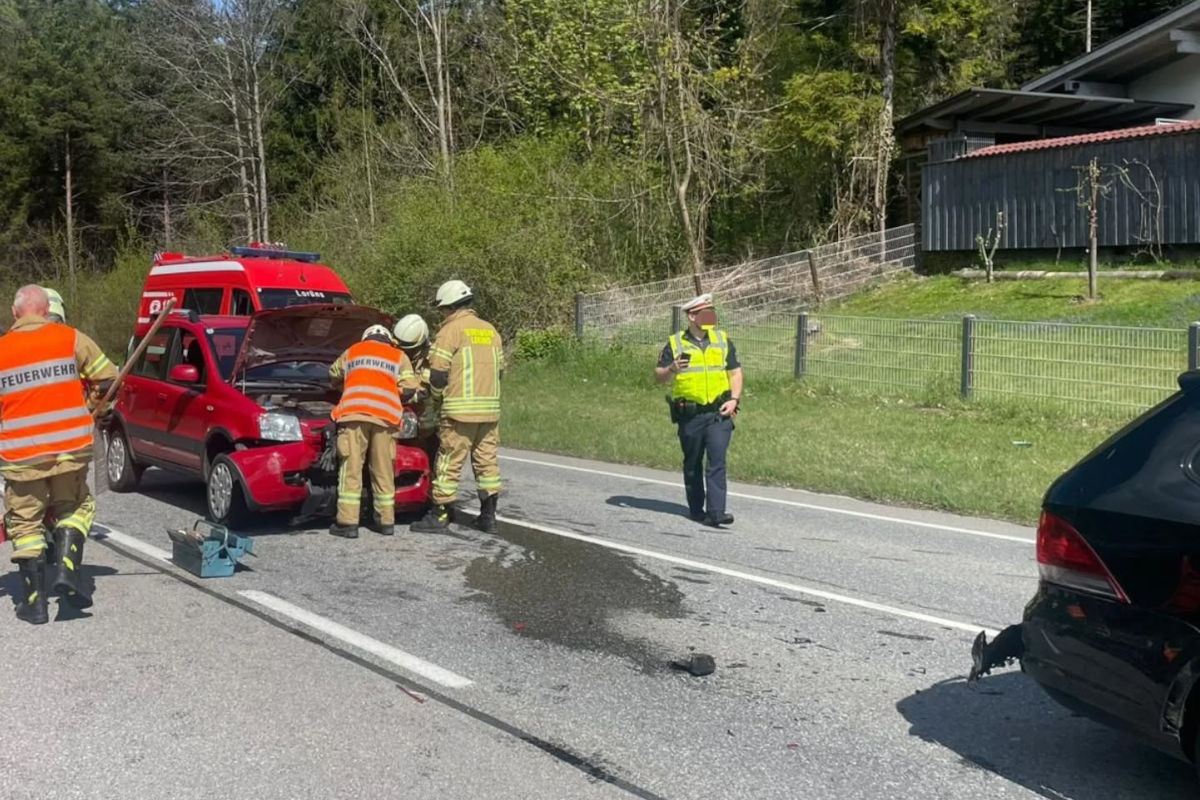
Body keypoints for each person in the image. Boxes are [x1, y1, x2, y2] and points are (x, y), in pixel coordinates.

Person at [0, 285, 117, 623]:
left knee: (25, 523)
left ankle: (34, 603)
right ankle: (67, 570)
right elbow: (108, 378)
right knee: (76, 506)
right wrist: (90, 408)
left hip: (22, 455)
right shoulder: (71, 338)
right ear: (46, 308)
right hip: (70, 448)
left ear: (15, 313)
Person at [410, 280, 504, 535]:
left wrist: (436, 399)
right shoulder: (491, 330)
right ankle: (488, 517)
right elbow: (501, 371)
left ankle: (439, 515)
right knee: (487, 464)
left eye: (442, 309)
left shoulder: (450, 331)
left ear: (449, 307)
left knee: (448, 462)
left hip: (459, 412)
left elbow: (438, 375)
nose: (441, 314)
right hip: (490, 412)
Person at [654, 293, 744, 527]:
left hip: (718, 412)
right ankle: (696, 508)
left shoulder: (722, 340)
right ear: (692, 316)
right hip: (690, 415)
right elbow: (659, 377)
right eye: (705, 313)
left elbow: (735, 372)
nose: (710, 318)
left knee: (717, 460)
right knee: (692, 462)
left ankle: (716, 512)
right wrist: (672, 368)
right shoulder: (675, 343)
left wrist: (734, 399)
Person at [327, 324, 419, 539]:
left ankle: (348, 523)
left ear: (366, 337)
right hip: (386, 419)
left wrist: (347, 385)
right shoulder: (399, 356)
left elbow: (333, 374)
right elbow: (410, 388)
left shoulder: (353, 351)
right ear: (388, 339)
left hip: (354, 415)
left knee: (351, 469)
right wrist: (391, 392)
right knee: (383, 471)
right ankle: (386, 521)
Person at [393, 314, 439, 466]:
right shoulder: (394, 354)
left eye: (409, 350)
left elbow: (431, 390)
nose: (405, 353)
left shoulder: (434, 359)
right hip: (397, 418)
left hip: (426, 424)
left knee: (427, 458)